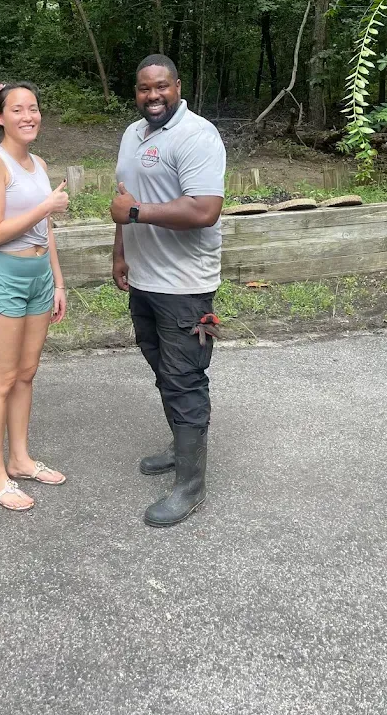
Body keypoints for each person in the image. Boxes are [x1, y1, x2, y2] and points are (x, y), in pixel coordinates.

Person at [111, 55, 226, 527]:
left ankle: (190, 485)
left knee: (184, 378)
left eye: (161, 87)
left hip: (184, 286)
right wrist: (121, 251)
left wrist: (136, 215)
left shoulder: (198, 135)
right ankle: (182, 447)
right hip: (145, 278)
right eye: (143, 88)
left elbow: (204, 210)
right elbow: (123, 200)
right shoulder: (133, 134)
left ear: (178, 86)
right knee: (163, 369)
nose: (152, 96)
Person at [0, 81, 70, 512]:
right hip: (4, 278)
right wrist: (46, 206)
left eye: (33, 108)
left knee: (27, 373)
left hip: (38, 279)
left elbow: (43, 233)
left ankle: (20, 459)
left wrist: (58, 282)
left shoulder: (39, 163)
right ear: (0, 117)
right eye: (17, 109)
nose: (28, 116)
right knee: (2, 379)